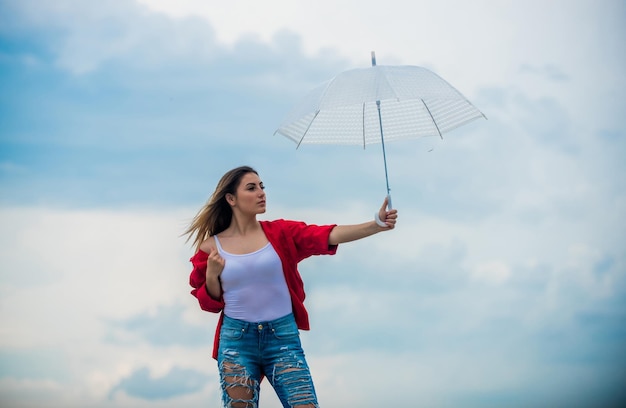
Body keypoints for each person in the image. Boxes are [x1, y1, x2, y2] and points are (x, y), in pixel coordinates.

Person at [184, 165, 398, 408]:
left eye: (262, 187)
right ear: (231, 198)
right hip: (237, 341)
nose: (261, 193)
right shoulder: (210, 247)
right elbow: (209, 303)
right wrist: (212, 275)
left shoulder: (281, 232)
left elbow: (327, 235)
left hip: (282, 337)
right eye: (251, 188)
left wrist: (376, 224)